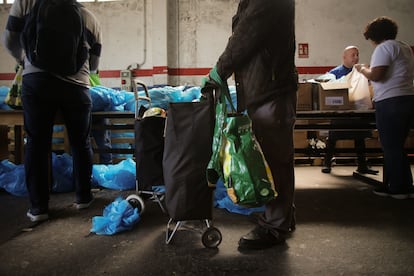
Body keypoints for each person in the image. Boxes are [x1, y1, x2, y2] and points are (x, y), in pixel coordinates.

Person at [2, 0, 102, 221]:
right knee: (80, 142)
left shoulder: (26, 3)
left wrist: (26, 59)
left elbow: (9, 40)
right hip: (77, 86)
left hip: (38, 81)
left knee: (37, 144)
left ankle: (39, 208)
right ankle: (83, 197)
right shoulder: (88, 17)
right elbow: (94, 64)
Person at [210, 0, 297, 249]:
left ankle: (273, 227)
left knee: (274, 159)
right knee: (278, 158)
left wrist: (219, 70)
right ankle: (282, 218)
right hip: (267, 89)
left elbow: (245, 37)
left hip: (270, 89)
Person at [355, 16, 414, 199]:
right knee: (397, 145)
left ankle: (397, 188)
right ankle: (404, 185)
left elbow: (377, 75)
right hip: (407, 99)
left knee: (390, 145)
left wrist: (362, 69)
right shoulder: (404, 47)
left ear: (374, 35)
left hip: (390, 101)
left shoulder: (384, 48)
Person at [322, 46, 378, 175]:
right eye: (352, 55)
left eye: (357, 54)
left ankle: (362, 165)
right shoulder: (335, 73)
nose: (356, 57)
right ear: (344, 57)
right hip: (340, 111)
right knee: (333, 137)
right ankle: (327, 163)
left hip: (357, 111)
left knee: (360, 136)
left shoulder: (362, 72)